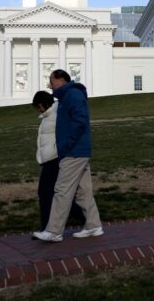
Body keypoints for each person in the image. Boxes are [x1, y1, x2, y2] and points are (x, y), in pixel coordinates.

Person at [33, 70, 104, 242]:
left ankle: (54, 231)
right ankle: (93, 225)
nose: (50, 85)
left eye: (52, 81)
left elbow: (80, 121)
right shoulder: (65, 97)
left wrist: (66, 145)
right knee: (82, 191)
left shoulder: (72, 95)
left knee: (62, 190)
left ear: (61, 79)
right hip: (76, 150)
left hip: (73, 151)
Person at [31, 91, 86, 237]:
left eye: (38, 106)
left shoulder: (57, 114)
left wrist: (58, 152)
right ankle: (85, 220)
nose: (38, 109)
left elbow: (66, 134)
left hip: (55, 159)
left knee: (45, 193)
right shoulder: (48, 115)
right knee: (59, 194)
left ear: (43, 103)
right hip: (49, 159)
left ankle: (47, 229)